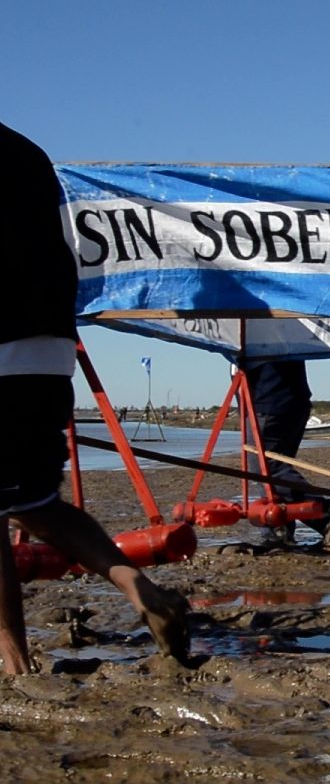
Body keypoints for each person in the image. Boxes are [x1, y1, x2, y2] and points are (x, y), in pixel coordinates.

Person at [0, 121, 189, 672]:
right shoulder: (29, 154)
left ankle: (13, 664)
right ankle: (139, 588)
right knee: (36, 502)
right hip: (49, 350)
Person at [244, 360, 330, 547]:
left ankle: (325, 514)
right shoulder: (275, 336)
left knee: (267, 468)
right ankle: (278, 529)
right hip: (284, 402)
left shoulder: (261, 337)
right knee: (271, 471)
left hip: (271, 404)